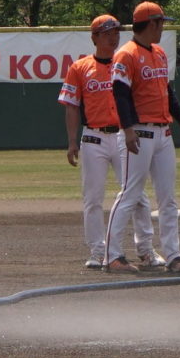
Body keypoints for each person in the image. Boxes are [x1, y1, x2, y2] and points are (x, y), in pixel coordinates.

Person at [106, 1, 180, 275]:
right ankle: (112, 256)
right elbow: (120, 95)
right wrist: (128, 128)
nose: (162, 28)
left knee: (168, 198)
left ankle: (173, 255)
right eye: (160, 23)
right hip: (140, 133)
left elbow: (168, 93)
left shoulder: (159, 53)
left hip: (163, 133)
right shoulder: (126, 55)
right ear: (151, 23)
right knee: (130, 194)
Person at [59, 14, 151, 270]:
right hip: (94, 137)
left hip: (124, 135)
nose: (114, 36)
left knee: (138, 195)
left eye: (116, 31)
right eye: (108, 32)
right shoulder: (80, 67)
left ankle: (146, 250)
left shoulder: (127, 62)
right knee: (93, 198)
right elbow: (71, 106)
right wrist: (71, 141)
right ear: (95, 37)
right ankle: (98, 251)